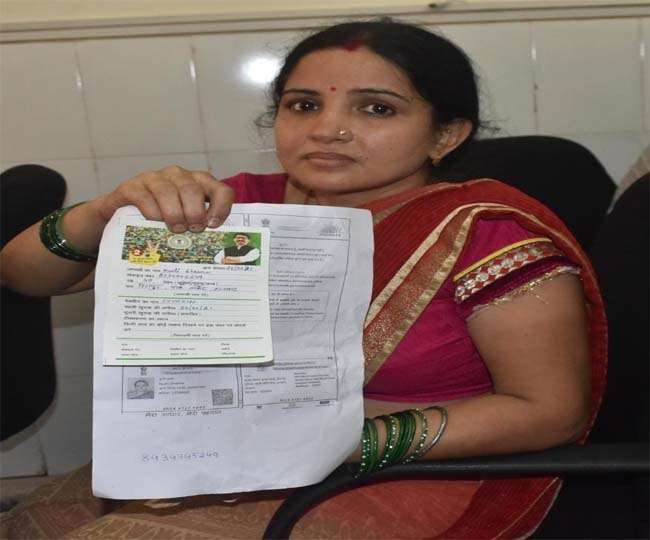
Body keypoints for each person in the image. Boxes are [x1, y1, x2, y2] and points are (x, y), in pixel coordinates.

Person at [0, 18, 606, 539]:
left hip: (408, 470)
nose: (327, 129)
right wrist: (104, 212)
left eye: (376, 108)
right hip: (223, 452)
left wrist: (345, 441)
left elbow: (549, 411)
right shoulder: (237, 209)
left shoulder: (482, 233)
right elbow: (25, 276)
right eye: (304, 105)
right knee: (32, 525)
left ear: (445, 135)